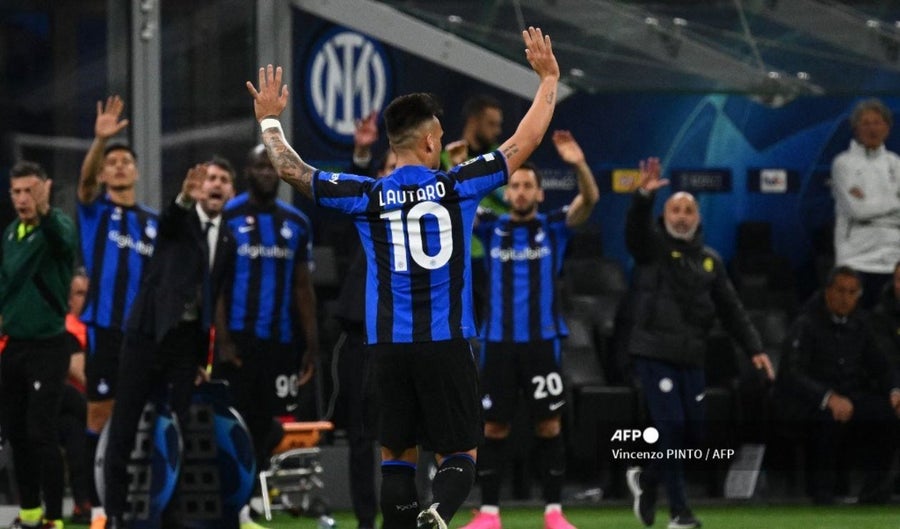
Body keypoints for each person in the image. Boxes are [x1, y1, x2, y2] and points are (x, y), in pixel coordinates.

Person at [245, 25, 559, 529]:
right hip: (447, 342)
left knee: (395, 457)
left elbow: (292, 170)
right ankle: (439, 510)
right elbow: (527, 139)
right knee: (462, 454)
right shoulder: (459, 185)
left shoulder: (366, 196)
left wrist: (269, 120)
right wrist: (548, 79)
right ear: (432, 140)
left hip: (388, 348)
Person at [623, 158, 775, 529]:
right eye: (674, 210)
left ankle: (648, 479)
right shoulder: (652, 250)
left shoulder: (711, 262)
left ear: (698, 218)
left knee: (692, 432)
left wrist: (755, 349)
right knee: (672, 426)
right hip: (654, 351)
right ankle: (680, 512)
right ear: (664, 216)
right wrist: (643, 197)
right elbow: (635, 232)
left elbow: (732, 309)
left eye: (688, 210)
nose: (681, 217)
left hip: (692, 356)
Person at [460, 130, 598, 529]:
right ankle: (489, 513)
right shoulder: (490, 227)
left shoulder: (554, 226)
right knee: (493, 427)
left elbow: (589, 200)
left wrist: (578, 164)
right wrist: (460, 165)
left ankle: (554, 512)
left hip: (542, 343)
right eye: (515, 185)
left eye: (527, 186)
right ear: (507, 192)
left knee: (549, 425)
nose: (520, 192)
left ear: (539, 193)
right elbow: (459, 202)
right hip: (498, 344)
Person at [102, 159, 235, 529]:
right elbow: (169, 223)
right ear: (199, 187)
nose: (216, 184)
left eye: (223, 180)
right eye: (210, 178)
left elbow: (212, 298)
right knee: (125, 423)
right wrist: (183, 199)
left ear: (231, 191)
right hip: (147, 334)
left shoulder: (229, 239)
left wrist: (202, 358)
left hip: (185, 345)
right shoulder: (181, 221)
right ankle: (115, 513)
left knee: (180, 427)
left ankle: (171, 514)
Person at [214, 145, 319, 529]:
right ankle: (233, 504)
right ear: (247, 171)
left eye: (272, 167)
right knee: (233, 423)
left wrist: (311, 345)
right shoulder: (228, 217)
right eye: (260, 166)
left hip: (279, 341)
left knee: (264, 423)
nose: (267, 173)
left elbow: (303, 288)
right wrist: (222, 339)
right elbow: (217, 283)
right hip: (238, 341)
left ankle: (250, 500)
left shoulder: (297, 223)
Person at [77, 95, 159, 529]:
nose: (121, 166)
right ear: (105, 174)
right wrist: (99, 142)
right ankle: (97, 507)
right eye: (113, 163)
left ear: (137, 172)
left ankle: (138, 502)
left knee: (142, 417)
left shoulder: (154, 223)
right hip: (105, 330)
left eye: (127, 161)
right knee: (99, 415)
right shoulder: (95, 212)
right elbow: (84, 184)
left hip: (143, 335)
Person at [776, 265, 900, 504]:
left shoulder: (861, 325)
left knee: (888, 415)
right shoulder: (806, 323)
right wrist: (828, 397)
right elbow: (792, 374)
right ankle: (823, 495)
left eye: (852, 292)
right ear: (828, 292)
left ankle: (874, 494)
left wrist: (895, 392)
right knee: (829, 419)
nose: (845, 298)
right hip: (810, 402)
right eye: (840, 291)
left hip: (848, 397)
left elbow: (882, 366)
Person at [327, 111, 395, 529]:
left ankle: (402, 516)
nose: (393, 175)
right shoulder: (367, 213)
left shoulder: (425, 218)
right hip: (359, 338)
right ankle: (366, 521)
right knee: (359, 436)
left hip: (402, 338)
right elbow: (355, 189)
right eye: (387, 169)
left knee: (401, 435)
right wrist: (362, 155)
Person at [0, 161, 78, 529]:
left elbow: (63, 243)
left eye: (30, 191)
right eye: (16, 191)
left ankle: (53, 517)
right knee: (16, 432)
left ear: (45, 189)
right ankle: (30, 513)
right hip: (14, 346)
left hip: (48, 346)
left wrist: (46, 211)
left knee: (40, 432)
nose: (22, 199)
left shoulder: (57, 225)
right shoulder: (10, 234)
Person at [831, 97, 900, 309]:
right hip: (855, 259)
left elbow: (866, 207)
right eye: (866, 123)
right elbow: (858, 210)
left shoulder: (895, 163)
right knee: (856, 321)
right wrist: (895, 202)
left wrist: (870, 202)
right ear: (856, 129)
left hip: (893, 259)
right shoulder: (843, 163)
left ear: (887, 128)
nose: (872, 128)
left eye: (877, 122)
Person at [61, 268, 92, 524]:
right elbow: (80, 374)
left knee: (75, 426)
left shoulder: (100, 325)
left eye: (88, 293)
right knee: (73, 425)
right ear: (69, 299)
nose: (85, 299)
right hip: (73, 403)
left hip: (89, 404)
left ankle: (85, 501)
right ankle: (84, 501)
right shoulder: (65, 330)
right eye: (79, 293)